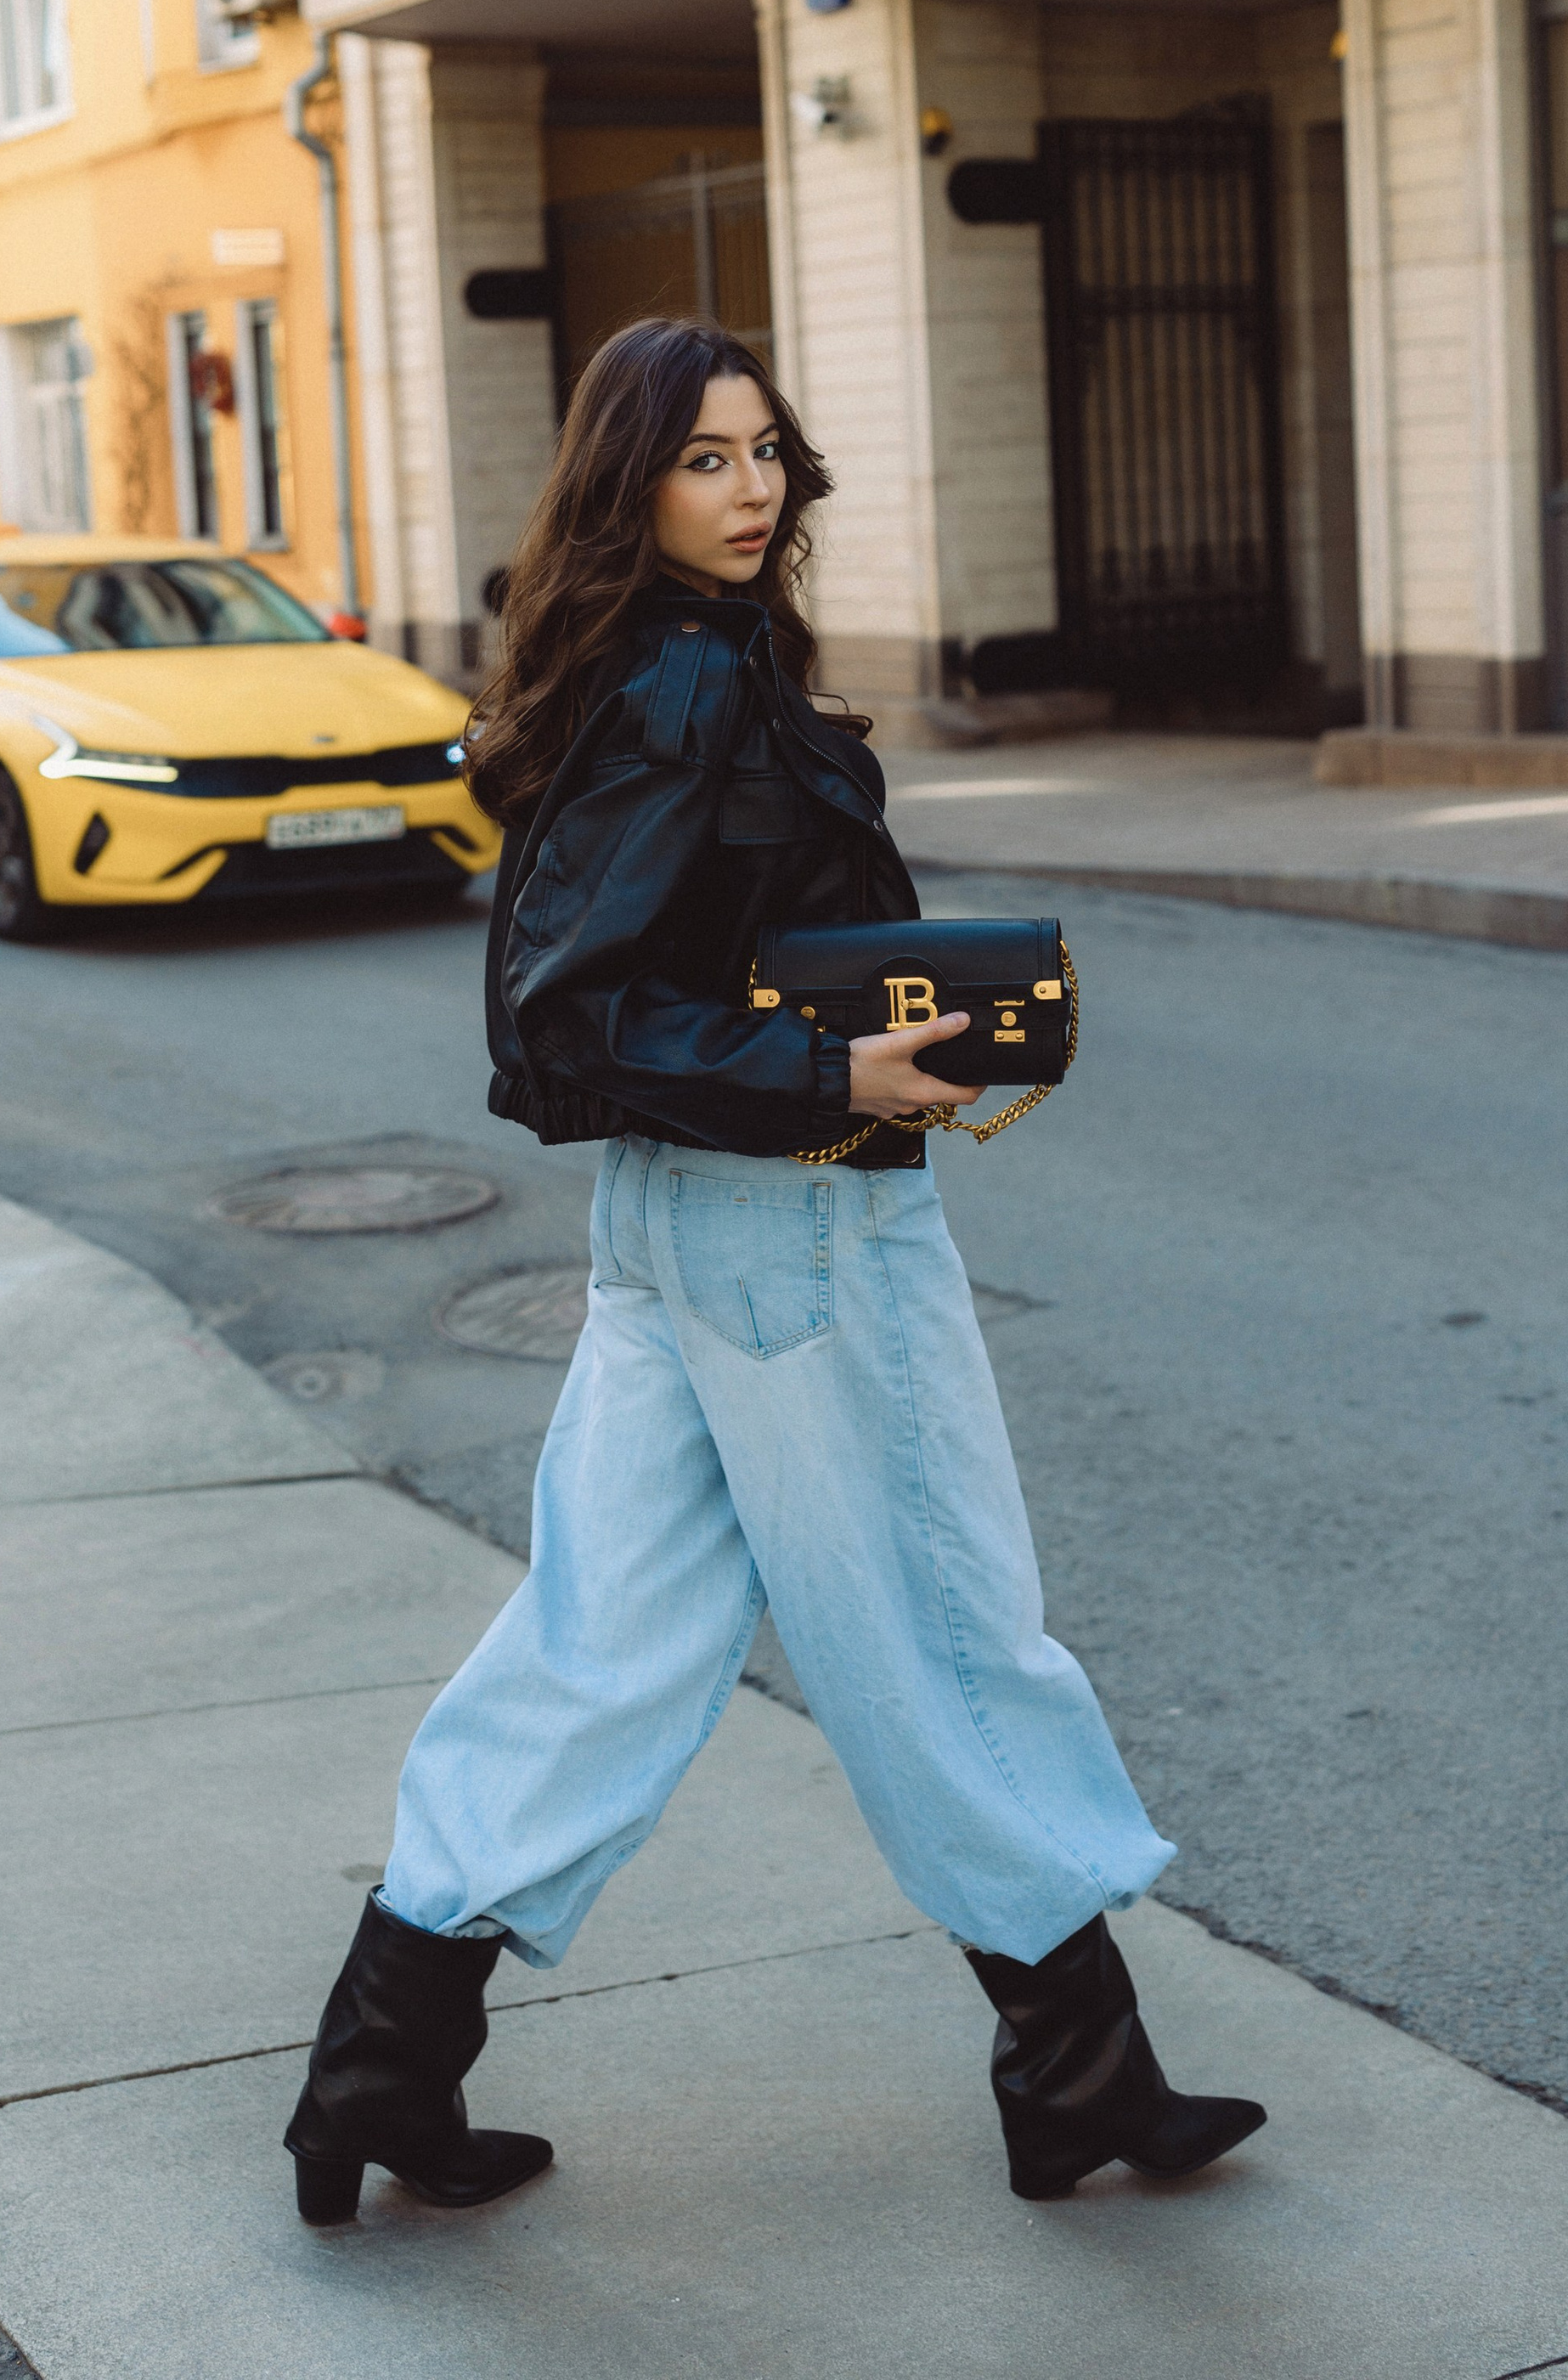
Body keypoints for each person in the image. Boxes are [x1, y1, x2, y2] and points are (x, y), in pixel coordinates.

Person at [285, 316, 1263, 2225]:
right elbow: (560, 1025)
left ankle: (374, 2078)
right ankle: (1074, 2073)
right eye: (706, 459)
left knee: (595, 1645)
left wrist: (869, 1041)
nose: (750, 492)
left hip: (688, 1230)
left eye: (764, 456)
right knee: (943, 1629)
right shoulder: (681, 690)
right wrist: (836, 1074)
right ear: (626, 482)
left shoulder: (670, 667)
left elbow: (636, 979)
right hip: (789, 1223)